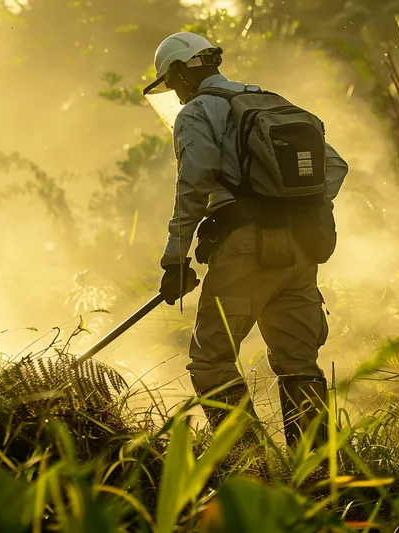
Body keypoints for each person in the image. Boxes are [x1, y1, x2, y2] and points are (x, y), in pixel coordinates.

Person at [144, 32, 349, 447]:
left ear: (182, 71)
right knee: (297, 362)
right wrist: (292, 209)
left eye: (172, 82)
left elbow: (194, 183)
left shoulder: (198, 111)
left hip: (247, 252)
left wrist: (175, 259)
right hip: (301, 253)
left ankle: (249, 467)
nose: (175, 94)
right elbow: (335, 166)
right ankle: (317, 475)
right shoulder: (270, 101)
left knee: (210, 360)